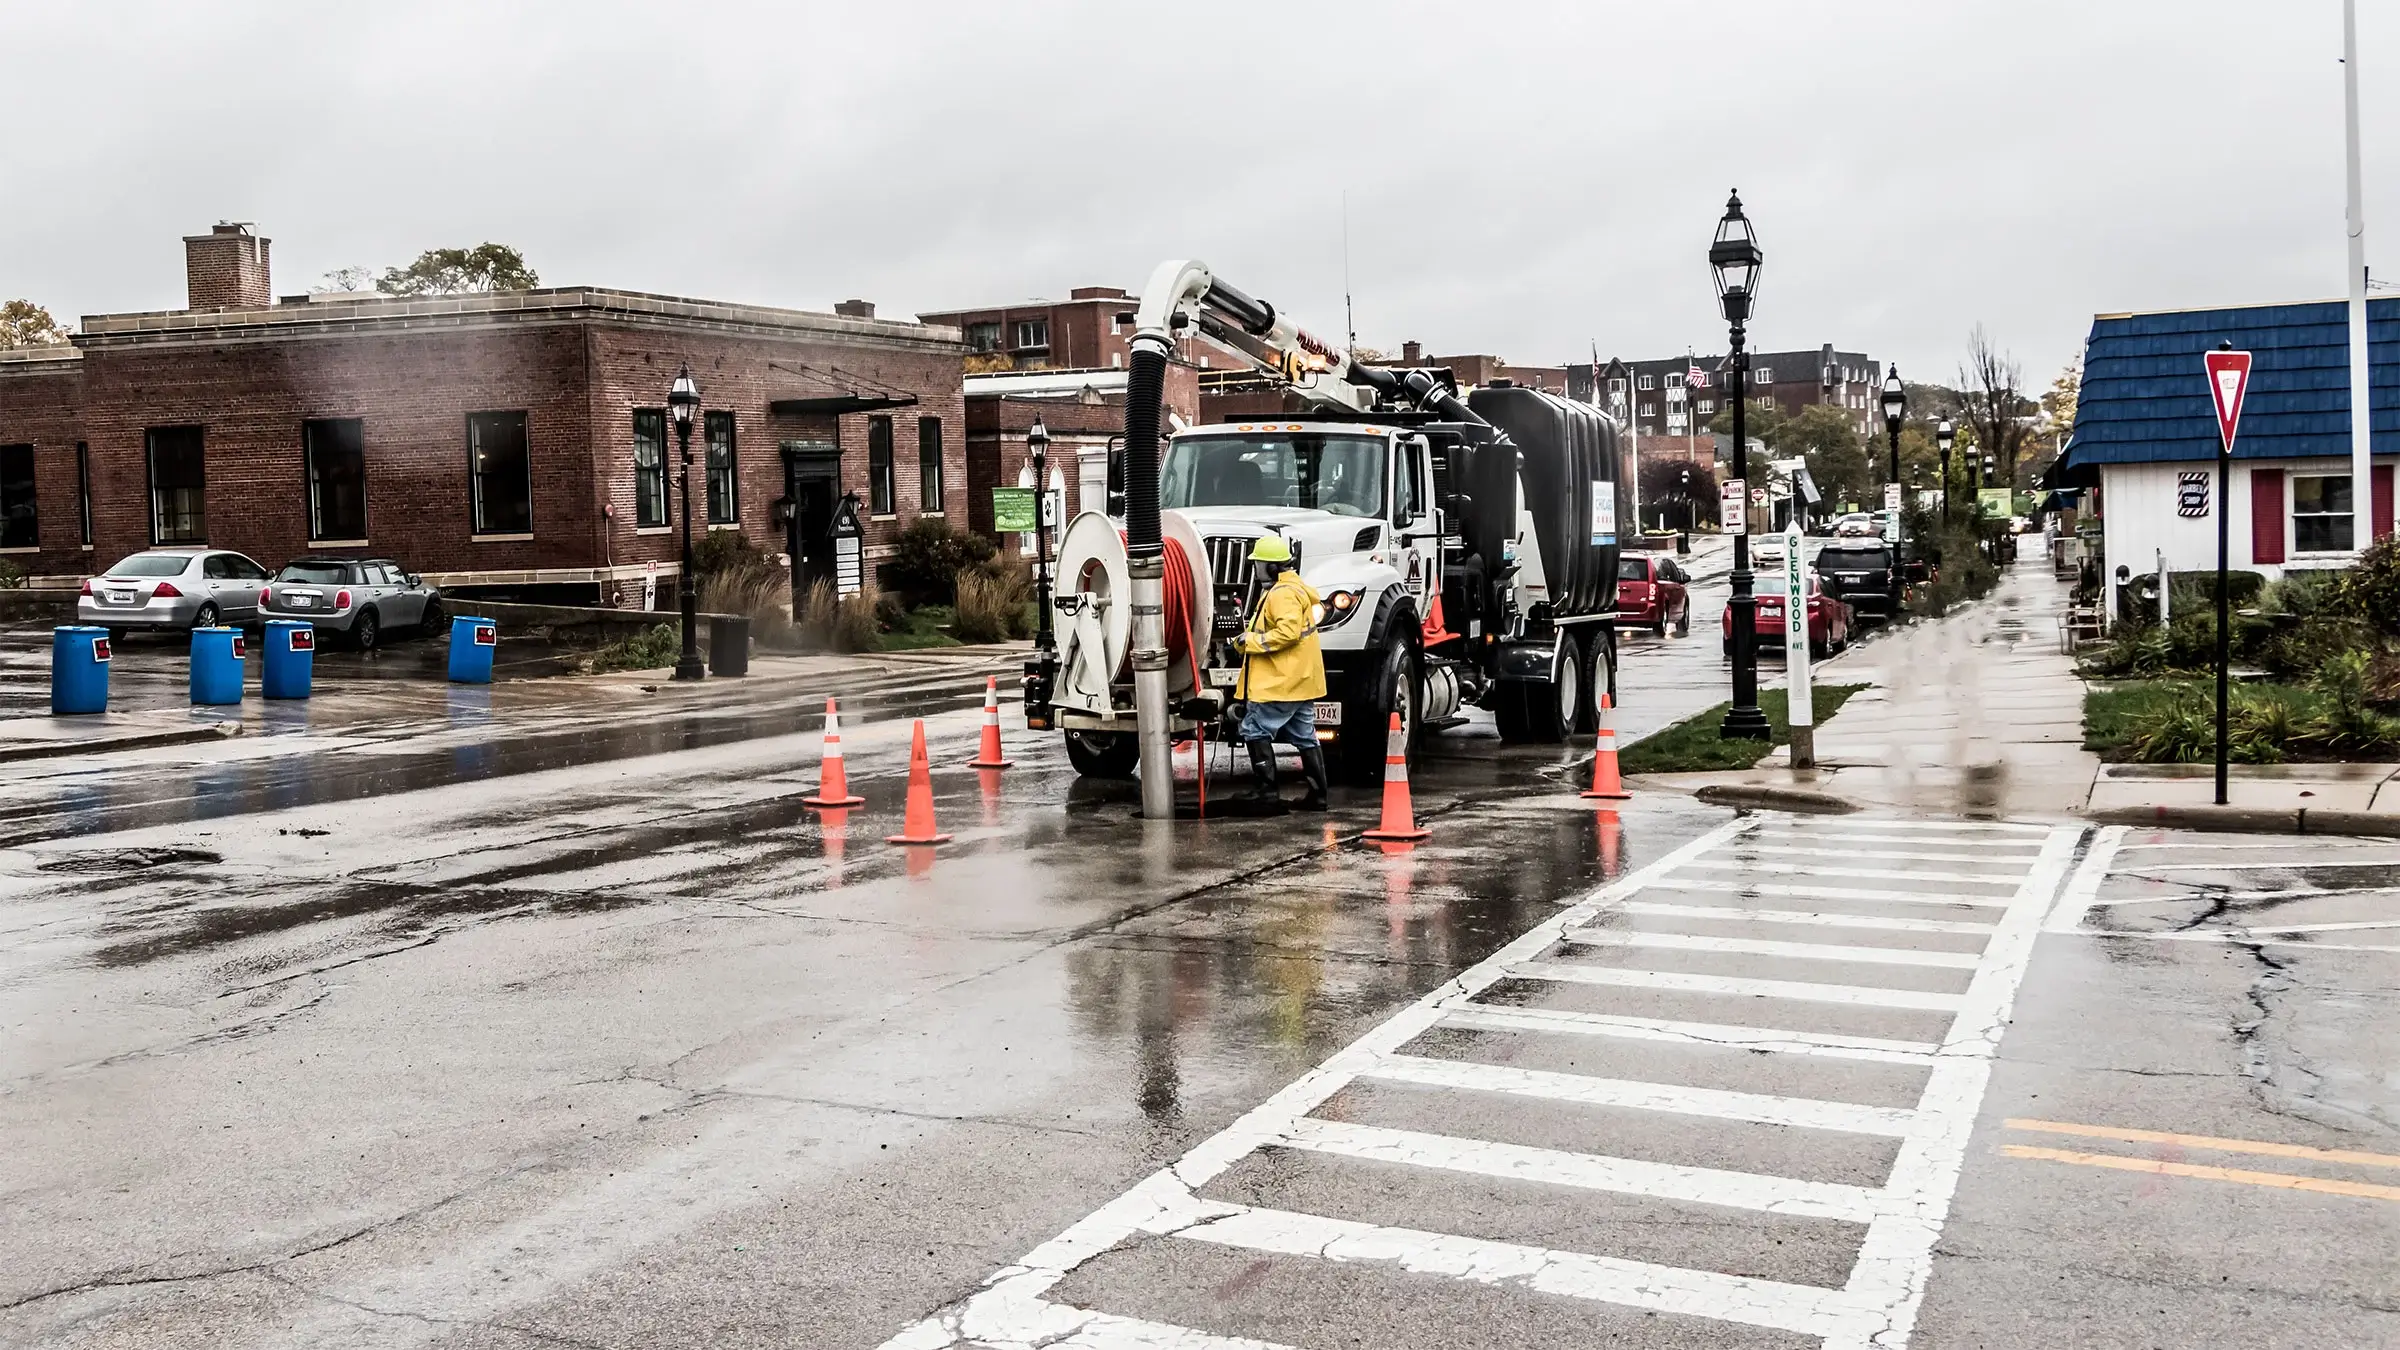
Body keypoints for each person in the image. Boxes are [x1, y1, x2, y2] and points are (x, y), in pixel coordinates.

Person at [1234, 535, 1329, 811]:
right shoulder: (1293, 590)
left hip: (1281, 682)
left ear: (1272, 567)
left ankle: (1266, 792)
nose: (1256, 569)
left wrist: (1246, 642)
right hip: (1301, 682)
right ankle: (1318, 795)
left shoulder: (1282, 594)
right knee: (1304, 735)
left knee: (1254, 729)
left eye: (1259, 564)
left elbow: (1286, 633)